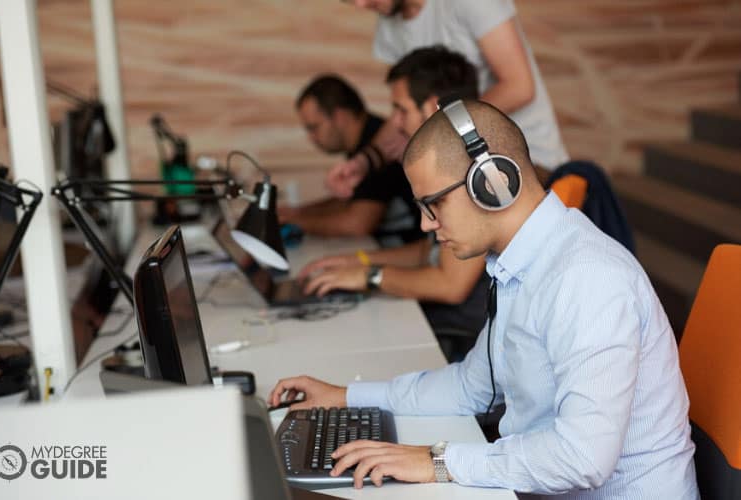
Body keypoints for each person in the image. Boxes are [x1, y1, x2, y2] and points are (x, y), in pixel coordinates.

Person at [270, 100, 698, 498]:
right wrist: (347, 397)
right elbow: (469, 388)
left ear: (492, 182)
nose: (424, 224)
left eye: (433, 204)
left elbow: (582, 458)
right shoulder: (519, 265)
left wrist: (436, 461)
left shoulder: (587, 279)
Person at [300, 47, 490, 358]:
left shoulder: (471, 171)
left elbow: (450, 285)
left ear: (432, 107)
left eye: (401, 110)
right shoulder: (450, 159)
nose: (395, 123)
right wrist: (359, 261)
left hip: (469, 336)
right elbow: (429, 251)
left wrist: (370, 277)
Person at [326, 0, 569, 198]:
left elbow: (519, 87)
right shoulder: (389, 28)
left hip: (528, 164)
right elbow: (406, 108)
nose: (360, 5)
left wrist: (436, 127)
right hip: (463, 168)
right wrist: (365, 162)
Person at [281, 75, 422, 246]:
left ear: (339, 116)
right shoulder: (365, 143)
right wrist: (297, 213)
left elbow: (358, 224)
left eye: (314, 127)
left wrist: (293, 222)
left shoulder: (377, 143)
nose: (311, 138)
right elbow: (351, 200)